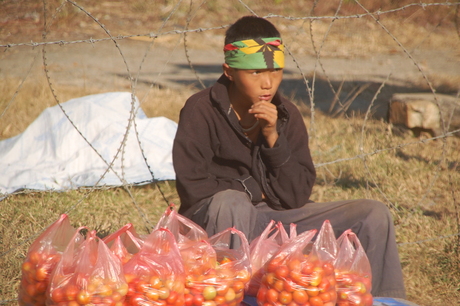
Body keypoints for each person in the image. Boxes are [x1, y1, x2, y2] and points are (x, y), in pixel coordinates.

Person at [172, 15, 406, 299]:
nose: (268, 83)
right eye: (255, 73)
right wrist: (251, 194)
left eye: (275, 71)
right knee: (231, 202)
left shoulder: (286, 115)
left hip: (274, 219)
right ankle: (233, 296)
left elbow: (295, 197)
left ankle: (382, 300)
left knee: (373, 214)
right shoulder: (201, 111)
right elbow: (193, 187)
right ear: (229, 71)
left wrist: (273, 137)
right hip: (219, 222)